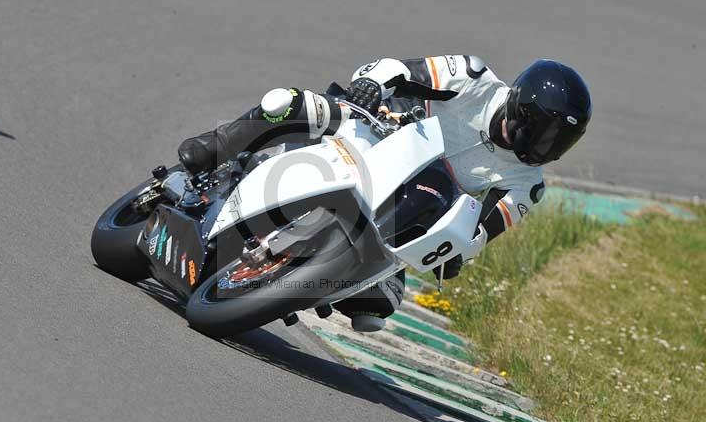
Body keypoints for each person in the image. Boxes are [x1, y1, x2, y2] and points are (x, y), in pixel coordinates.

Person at [178, 56, 592, 331]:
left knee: (374, 309)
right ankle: (216, 147)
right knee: (292, 104)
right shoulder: (473, 78)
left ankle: (294, 278)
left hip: (405, 210)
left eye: (559, 141)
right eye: (542, 131)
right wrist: (373, 86)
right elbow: (395, 68)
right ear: (520, 107)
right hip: (377, 132)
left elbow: (483, 231)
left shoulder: (528, 184)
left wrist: (458, 253)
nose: (543, 146)